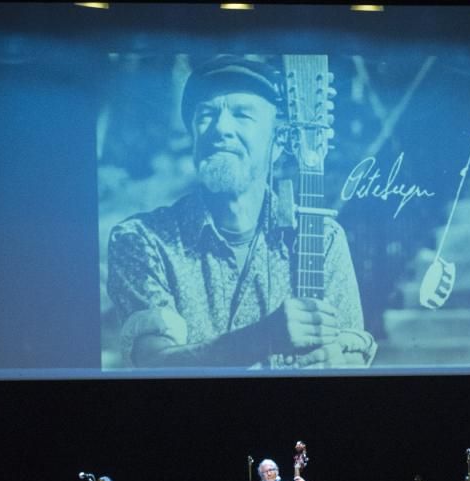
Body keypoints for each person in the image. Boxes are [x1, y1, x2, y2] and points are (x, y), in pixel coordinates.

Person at [107, 54, 376, 370]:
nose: (220, 128)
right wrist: (262, 338)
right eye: (206, 115)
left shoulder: (322, 239)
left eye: (242, 115)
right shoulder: (144, 240)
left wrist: (340, 363)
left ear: (277, 145)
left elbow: (351, 350)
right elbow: (154, 364)